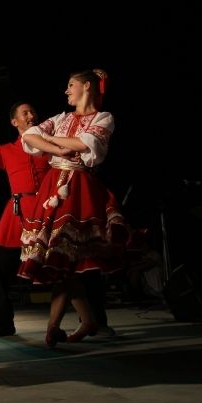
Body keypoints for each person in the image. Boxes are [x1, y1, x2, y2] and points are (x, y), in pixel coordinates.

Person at [0, 102, 122, 338]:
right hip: (17, 215)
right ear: (14, 121)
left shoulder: (52, 145)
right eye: (24, 113)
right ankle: (1, 324)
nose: (31, 115)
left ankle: (96, 321)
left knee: (79, 265)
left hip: (52, 211)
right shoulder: (5, 151)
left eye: (33, 112)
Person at [17, 68, 121, 347]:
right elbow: (30, 136)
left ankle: (70, 323)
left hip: (79, 189)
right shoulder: (61, 118)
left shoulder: (103, 118)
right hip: (54, 186)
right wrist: (58, 148)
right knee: (60, 259)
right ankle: (77, 322)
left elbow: (85, 144)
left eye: (71, 85)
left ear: (86, 87)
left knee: (66, 257)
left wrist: (52, 142)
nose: (66, 91)